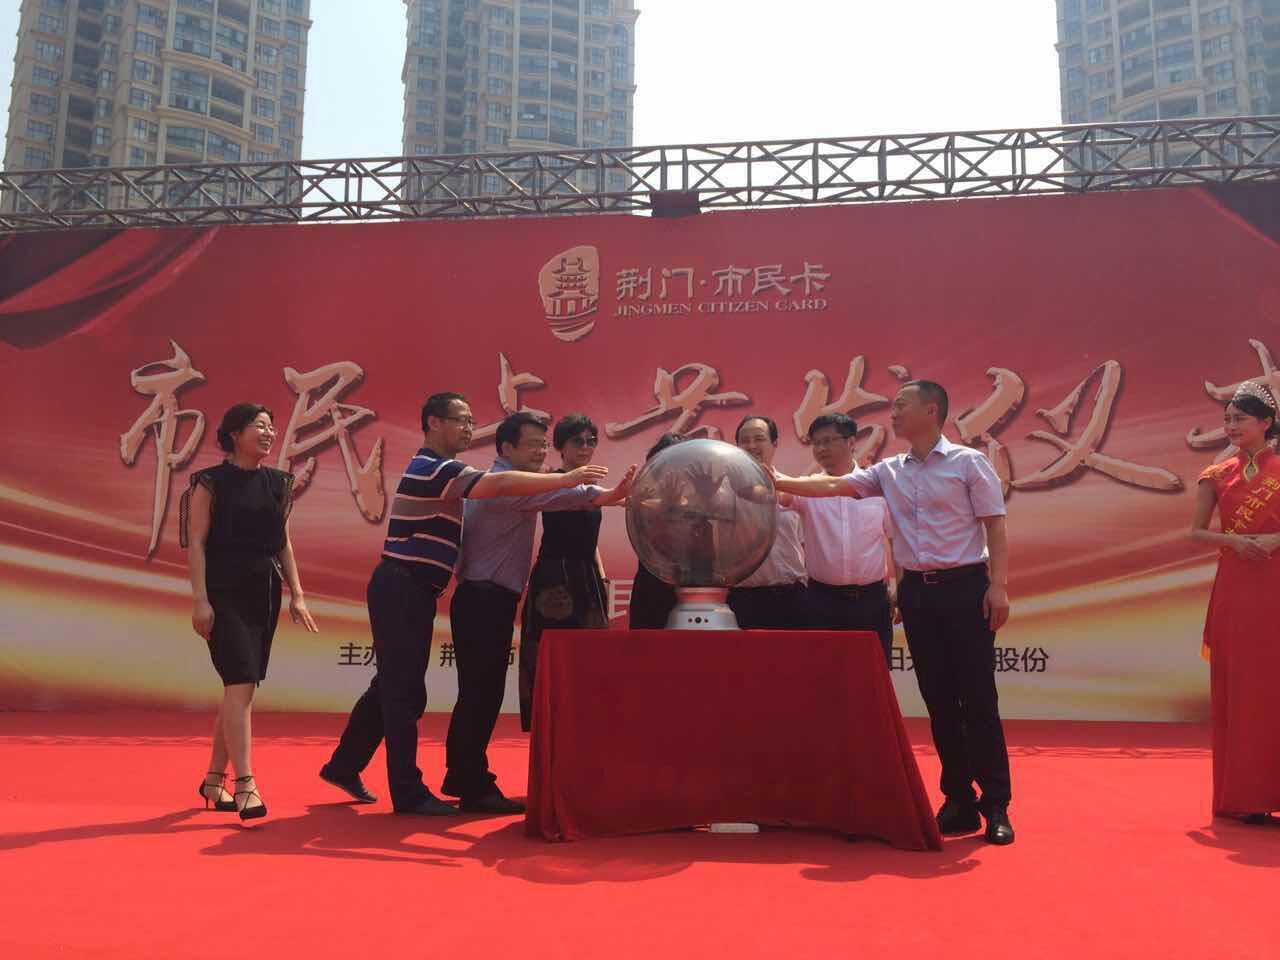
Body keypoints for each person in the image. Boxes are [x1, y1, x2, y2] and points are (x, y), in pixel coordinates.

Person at [320, 393, 611, 816]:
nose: (469, 428)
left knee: (396, 684)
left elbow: (561, 496)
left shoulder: (464, 473)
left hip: (420, 589)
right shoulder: (440, 469)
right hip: (414, 587)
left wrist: (598, 489)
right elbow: (508, 487)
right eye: (460, 420)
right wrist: (569, 479)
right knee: (415, 692)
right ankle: (413, 791)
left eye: (472, 420)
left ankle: (346, 764)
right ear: (433, 422)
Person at [773, 381, 1015, 845]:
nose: (894, 412)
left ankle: (997, 803)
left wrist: (998, 587)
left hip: (966, 589)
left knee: (978, 698)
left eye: (902, 405)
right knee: (938, 700)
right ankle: (959, 800)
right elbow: (833, 485)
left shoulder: (968, 462)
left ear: (932, 410)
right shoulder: (888, 472)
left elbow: (995, 525)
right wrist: (776, 479)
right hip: (918, 595)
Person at [443, 412, 634, 812]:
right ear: (506, 448)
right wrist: (600, 490)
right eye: (534, 445)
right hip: (485, 599)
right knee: (481, 693)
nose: (540, 452)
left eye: (542, 445)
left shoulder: (512, 482)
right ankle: (470, 782)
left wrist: (609, 493)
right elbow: (570, 496)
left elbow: (577, 495)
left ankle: (464, 776)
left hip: (489, 598)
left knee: (481, 692)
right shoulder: (507, 485)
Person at [181, 403, 319, 822]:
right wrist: (200, 599)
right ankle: (246, 782)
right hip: (224, 594)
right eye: (259, 426)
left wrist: (297, 594)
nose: (268, 433)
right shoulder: (210, 483)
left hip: (264, 594)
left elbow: (283, 542)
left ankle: (213, 779)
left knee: (239, 689)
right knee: (240, 683)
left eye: (271, 427)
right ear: (234, 434)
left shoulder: (278, 483)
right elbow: (197, 543)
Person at [1190, 381, 1280, 825]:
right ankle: (1245, 795)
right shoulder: (1216, 475)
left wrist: (1276, 538)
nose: (1230, 426)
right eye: (1226, 419)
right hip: (1237, 587)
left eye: (1239, 419)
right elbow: (1195, 532)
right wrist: (1234, 542)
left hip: (1275, 583)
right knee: (1243, 687)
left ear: (1266, 422)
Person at [520, 414, 612, 731]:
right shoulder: (552, 480)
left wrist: (601, 576)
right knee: (553, 659)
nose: (586, 447)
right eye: (577, 441)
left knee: (590, 658)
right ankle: (551, 724)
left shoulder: (591, 487)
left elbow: (590, 540)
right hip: (554, 579)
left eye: (591, 441)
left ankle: (586, 726)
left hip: (588, 577)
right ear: (560, 446)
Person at [791, 413, 897, 662]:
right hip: (821, 602)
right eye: (816, 443)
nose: (821, 449)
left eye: (828, 441)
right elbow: (776, 494)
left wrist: (898, 588)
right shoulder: (806, 489)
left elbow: (897, 541)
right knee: (823, 675)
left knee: (872, 674)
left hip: (871, 602)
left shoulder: (878, 488)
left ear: (851, 443)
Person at [728, 415, 808, 629]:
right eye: (745, 441)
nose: (751, 446)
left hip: (793, 597)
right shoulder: (725, 494)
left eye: (759, 439)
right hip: (746, 600)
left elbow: (806, 545)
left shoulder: (794, 488)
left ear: (774, 443)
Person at [627, 432, 686, 629]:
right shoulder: (642, 502)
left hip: (691, 592)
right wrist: (667, 507)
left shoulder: (701, 501)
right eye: (663, 465)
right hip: (651, 592)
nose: (670, 472)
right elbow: (648, 544)